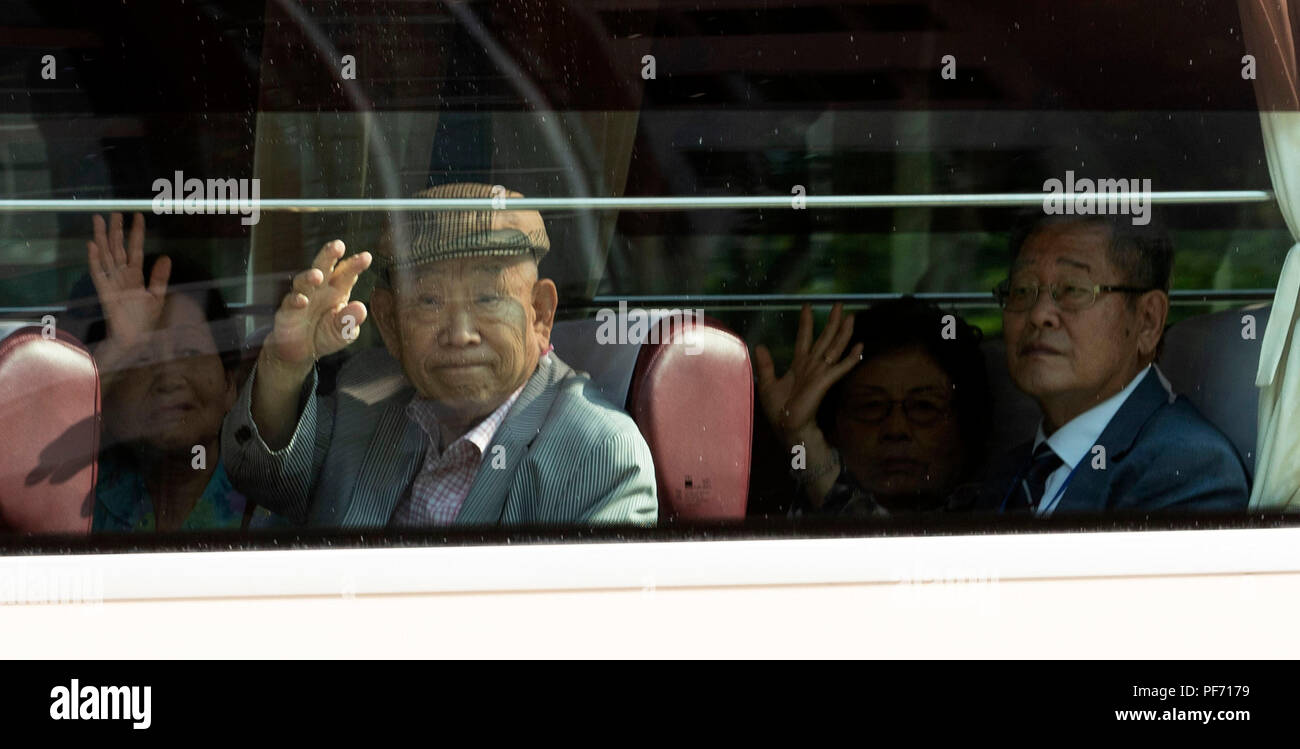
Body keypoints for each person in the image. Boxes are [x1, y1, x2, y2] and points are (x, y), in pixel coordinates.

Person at [221, 182, 658, 528]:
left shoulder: (600, 453)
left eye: (488, 298)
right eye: (429, 302)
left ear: (540, 313)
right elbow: (264, 478)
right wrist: (285, 364)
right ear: (390, 324)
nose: (460, 334)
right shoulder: (370, 391)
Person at [982, 214, 1249, 514]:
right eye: (1021, 290)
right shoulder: (1007, 472)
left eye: (1073, 290)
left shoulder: (1185, 467)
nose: (1039, 313)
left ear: (1147, 321)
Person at [76, 212, 286, 531]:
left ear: (230, 385)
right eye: (141, 357)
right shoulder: (77, 494)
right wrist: (114, 352)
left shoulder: (271, 508)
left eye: (189, 351)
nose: (170, 377)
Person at [755, 297, 991, 515]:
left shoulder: (1004, 512)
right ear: (833, 428)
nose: (896, 430)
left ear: (965, 426)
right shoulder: (773, 526)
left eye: (923, 407)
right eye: (870, 406)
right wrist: (801, 435)